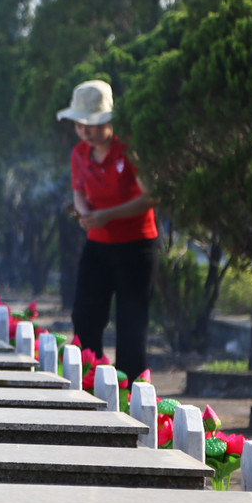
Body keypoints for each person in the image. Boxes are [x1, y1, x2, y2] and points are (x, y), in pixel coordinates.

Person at [59, 79, 158, 379]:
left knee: (131, 325)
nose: (84, 131)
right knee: (85, 317)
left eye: (90, 124)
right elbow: (79, 192)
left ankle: (131, 389)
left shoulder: (129, 148)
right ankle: (90, 380)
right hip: (98, 244)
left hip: (136, 245)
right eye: (79, 125)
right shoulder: (79, 154)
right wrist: (86, 214)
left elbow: (151, 196)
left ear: (107, 121)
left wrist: (107, 215)